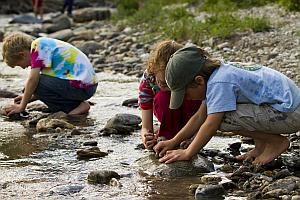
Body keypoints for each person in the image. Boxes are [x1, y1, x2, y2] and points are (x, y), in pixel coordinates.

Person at [154, 45, 300, 165]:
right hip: (286, 107)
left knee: (224, 119)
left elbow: (210, 124)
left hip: (290, 113)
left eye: (186, 94)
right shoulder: (218, 74)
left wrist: (188, 152)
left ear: (199, 81)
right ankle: (260, 147)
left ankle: (276, 143)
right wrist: (173, 141)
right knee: (220, 111)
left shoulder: (219, 83)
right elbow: (199, 116)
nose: (188, 99)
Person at [2, 32, 98, 116]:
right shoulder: (43, 48)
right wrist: (28, 98)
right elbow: (49, 87)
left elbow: (33, 80)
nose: (23, 68)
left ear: (22, 55)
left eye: (19, 65)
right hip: (87, 86)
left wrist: (22, 106)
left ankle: (74, 108)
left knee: (34, 83)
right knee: (31, 88)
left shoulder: (37, 46)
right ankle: (76, 104)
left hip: (81, 86)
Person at [139, 40, 202, 150]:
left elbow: (204, 112)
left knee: (194, 93)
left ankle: (185, 134)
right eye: (163, 83)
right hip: (166, 108)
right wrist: (146, 137)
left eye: (173, 85)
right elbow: (145, 126)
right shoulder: (148, 81)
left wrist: (196, 139)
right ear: (153, 68)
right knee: (162, 97)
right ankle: (168, 133)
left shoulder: (191, 74)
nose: (169, 87)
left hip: (192, 112)